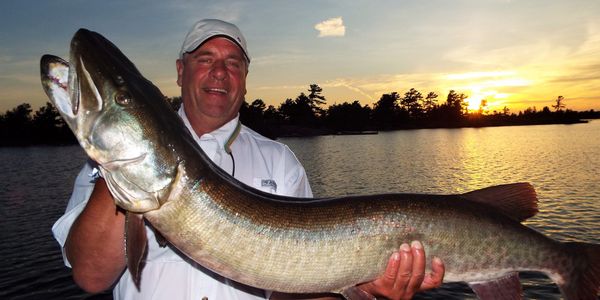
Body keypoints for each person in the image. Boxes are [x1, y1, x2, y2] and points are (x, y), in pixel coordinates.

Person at [52, 19, 445, 300]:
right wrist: (124, 166)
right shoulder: (101, 170)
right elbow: (90, 276)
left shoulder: (280, 161)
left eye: (233, 63)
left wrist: (363, 286)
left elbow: (299, 293)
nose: (219, 71)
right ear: (180, 71)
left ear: (244, 77)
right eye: (205, 59)